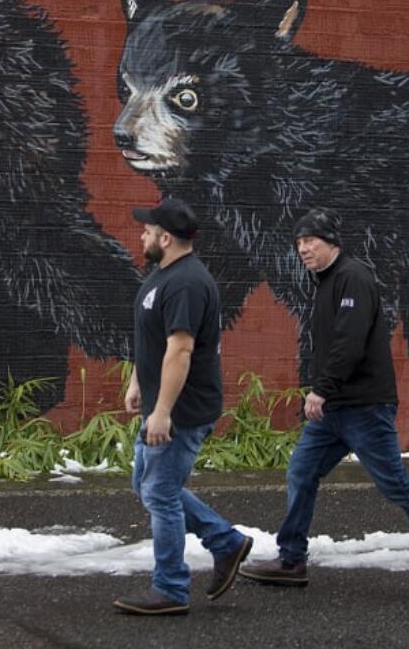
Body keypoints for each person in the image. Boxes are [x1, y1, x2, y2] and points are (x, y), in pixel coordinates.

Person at [239, 207, 409, 595]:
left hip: (364, 407)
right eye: (298, 242)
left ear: (331, 241)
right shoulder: (326, 282)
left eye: (310, 240)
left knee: (395, 485)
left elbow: (349, 343)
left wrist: (321, 389)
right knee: (301, 471)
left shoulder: (353, 277)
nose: (303, 249)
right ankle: (292, 559)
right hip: (335, 410)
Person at [112, 197, 254, 616]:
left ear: (166, 237)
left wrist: (163, 412)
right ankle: (226, 543)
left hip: (182, 410)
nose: (142, 235)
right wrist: (139, 381)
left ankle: (171, 588)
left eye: (148, 231)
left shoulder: (188, 283)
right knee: (150, 486)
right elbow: (152, 338)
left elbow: (181, 349)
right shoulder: (163, 275)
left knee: (160, 493)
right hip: (161, 402)